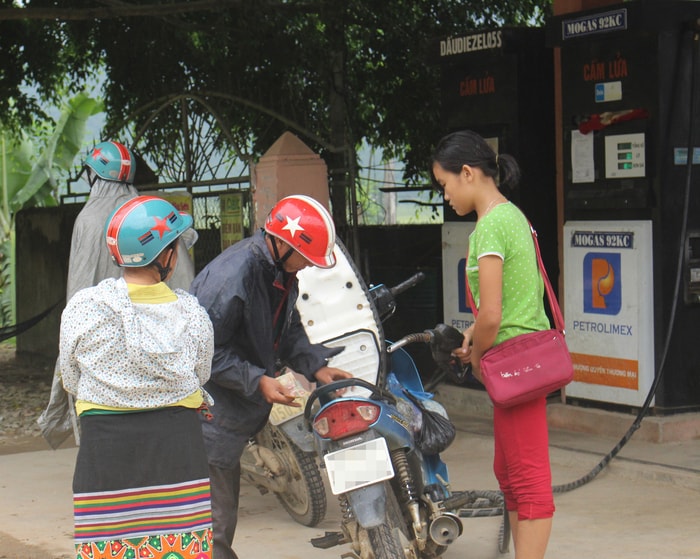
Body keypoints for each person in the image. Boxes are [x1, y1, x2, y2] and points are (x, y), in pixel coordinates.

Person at [190, 194, 352, 559]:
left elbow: (287, 329)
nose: (307, 267)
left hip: (237, 406)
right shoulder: (232, 277)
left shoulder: (280, 271)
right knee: (214, 521)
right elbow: (202, 354)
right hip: (211, 408)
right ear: (281, 243)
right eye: (305, 258)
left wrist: (316, 365)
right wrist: (257, 380)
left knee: (219, 515)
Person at [59, 195, 215, 559]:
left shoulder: (83, 309)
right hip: (178, 453)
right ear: (167, 256)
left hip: (104, 455)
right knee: (179, 549)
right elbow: (201, 374)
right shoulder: (192, 315)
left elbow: (71, 378)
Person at [431, 130, 554, 559]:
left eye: (445, 184)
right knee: (510, 472)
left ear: (467, 173)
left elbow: (492, 315)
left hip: (513, 363)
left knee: (527, 477)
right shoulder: (512, 216)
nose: (445, 195)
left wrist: (479, 354)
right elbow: (503, 307)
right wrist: (474, 338)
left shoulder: (490, 227)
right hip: (522, 356)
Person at [38, 140, 197, 448]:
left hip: (104, 353)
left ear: (93, 175)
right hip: (161, 344)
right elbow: (185, 286)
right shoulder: (150, 212)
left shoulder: (88, 220)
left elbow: (79, 290)